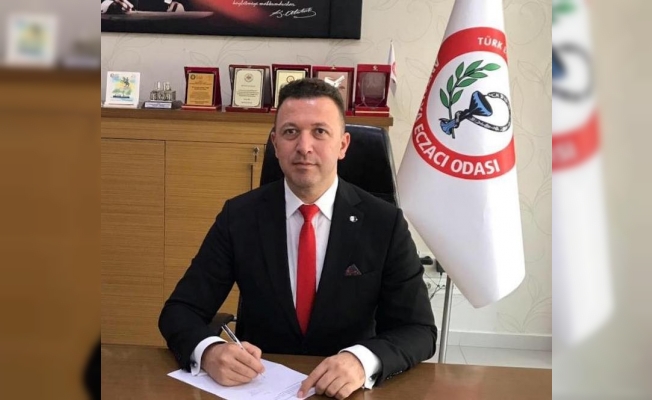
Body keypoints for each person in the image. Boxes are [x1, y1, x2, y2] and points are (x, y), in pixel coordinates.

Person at [159, 78, 437, 399]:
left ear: (343, 144)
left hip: (349, 391)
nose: (304, 146)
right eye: (291, 132)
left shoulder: (384, 223)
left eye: (320, 131)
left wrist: (362, 360)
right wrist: (209, 351)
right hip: (259, 387)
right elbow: (180, 311)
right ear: (276, 144)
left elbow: (419, 330)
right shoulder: (240, 217)